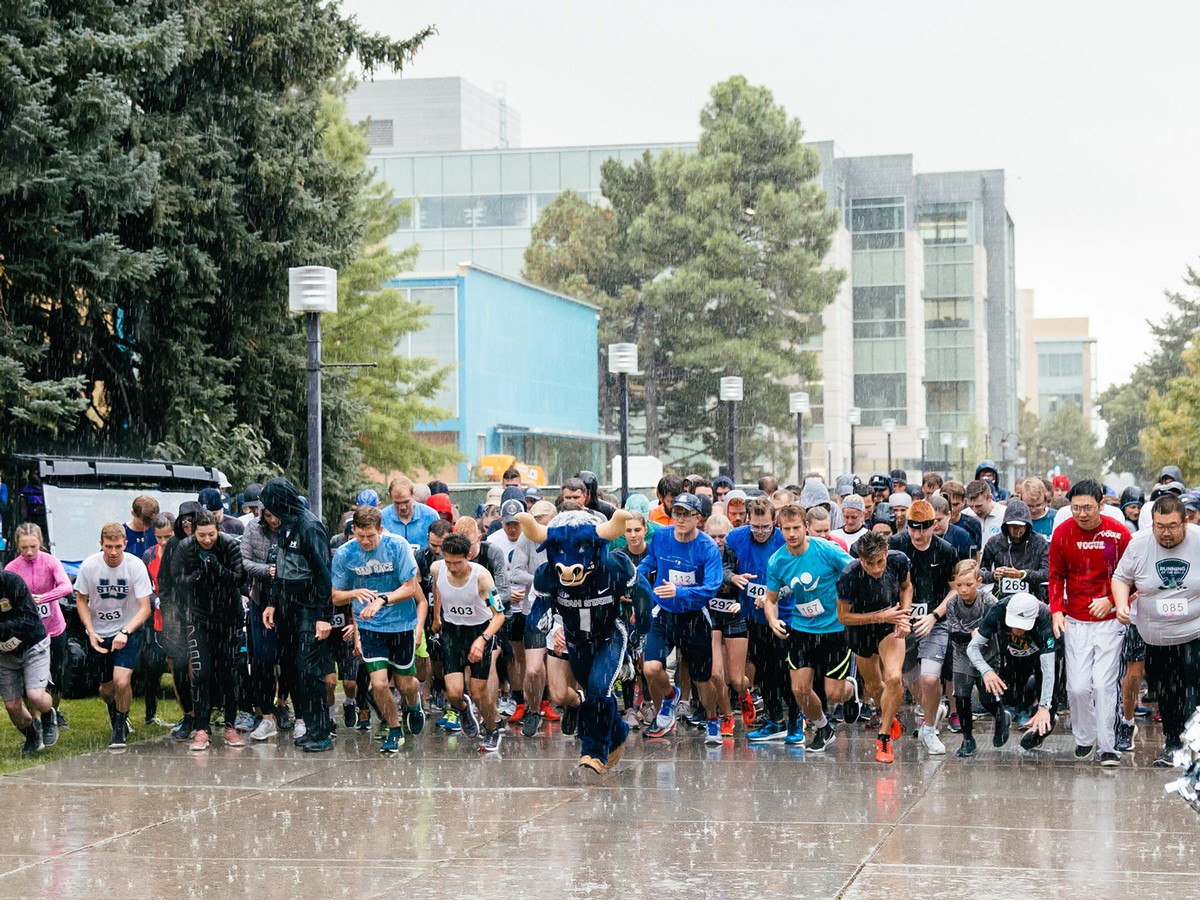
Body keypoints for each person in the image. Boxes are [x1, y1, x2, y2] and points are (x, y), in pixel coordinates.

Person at [1112, 493, 1200, 766]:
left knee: (1193, 691)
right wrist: (1120, 603)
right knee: (1166, 693)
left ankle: (1193, 748)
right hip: (1155, 634)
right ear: (1151, 523)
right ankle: (1173, 745)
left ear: (1185, 522)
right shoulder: (1139, 544)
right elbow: (1120, 578)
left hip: (1194, 631)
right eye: (1160, 526)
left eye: (1172, 526)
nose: (1166, 533)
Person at [1048, 479, 1131, 766]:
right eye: (1075, 508)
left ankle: (1108, 746)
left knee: (1104, 685)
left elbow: (1132, 577)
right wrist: (1056, 610)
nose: (1082, 514)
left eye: (1087, 508)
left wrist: (1111, 600)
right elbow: (1056, 576)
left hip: (1110, 620)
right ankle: (1084, 737)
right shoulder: (1062, 533)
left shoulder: (1118, 534)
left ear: (1101, 505)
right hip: (1076, 620)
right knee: (1078, 687)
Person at [763, 504, 856, 751]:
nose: (792, 533)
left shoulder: (827, 550)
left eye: (796, 528)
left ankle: (851, 691)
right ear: (779, 529)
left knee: (834, 693)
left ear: (806, 527)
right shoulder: (777, 561)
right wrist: (772, 620)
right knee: (799, 689)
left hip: (835, 628)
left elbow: (856, 571)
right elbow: (770, 599)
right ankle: (823, 727)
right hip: (802, 629)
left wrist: (847, 602)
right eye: (786, 529)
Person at [333, 505, 425, 754]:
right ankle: (395, 730)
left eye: (370, 536)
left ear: (381, 530)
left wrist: (382, 599)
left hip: (401, 624)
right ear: (353, 530)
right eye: (360, 536)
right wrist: (353, 593)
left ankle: (414, 705)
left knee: (406, 684)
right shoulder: (344, 554)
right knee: (379, 684)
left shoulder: (398, 546)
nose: (365, 541)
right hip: (369, 626)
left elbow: (410, 587)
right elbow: (335, 596)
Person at [638, 493, 725, 743]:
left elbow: (711, 587)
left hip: (695, 617)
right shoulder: (662, 536)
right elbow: (650, 561)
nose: (681, 518)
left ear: (698, 518)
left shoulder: (707, 547)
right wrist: (634, 577)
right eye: (677, 512)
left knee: (702, 680)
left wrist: (680, 591)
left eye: (687, 514)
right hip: (664, 613)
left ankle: (711, 719)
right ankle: (670, 696)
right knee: (651, 668)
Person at [260, 478, 336, 753]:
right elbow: (280, 567)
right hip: (287, 607)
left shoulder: (309, 527)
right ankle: (313, 729)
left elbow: (324, 574)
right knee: (295, 670)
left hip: (310, 608)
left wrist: (324, 615)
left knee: (309, 669)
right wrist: (271, 603)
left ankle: (322, 731)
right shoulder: (285, 525)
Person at [73, 523, 153, 749]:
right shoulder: (89, 566)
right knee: (106, 690)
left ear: (125, 544)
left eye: (118, 546)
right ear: (101, 545)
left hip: (127, 630)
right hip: (99, 632)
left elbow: (145, 608)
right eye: (109, 546)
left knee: (122, 680)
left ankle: (119, 727)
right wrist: (90, 630)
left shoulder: (135, 566)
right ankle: (116, 710)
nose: (114, 552)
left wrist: (126, 631)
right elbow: (81, 599)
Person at [889, 499, 958, 755]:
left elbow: (955, 590)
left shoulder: (946, 550)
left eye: (923, 529)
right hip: (903, 620)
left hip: (934, 621)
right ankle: (933, 709)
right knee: (909, 678)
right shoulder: (896, 545)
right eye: (913, 529)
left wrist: (935, 616)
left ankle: (929, 728)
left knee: (930, 679)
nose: (918, 535)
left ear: (934, 525)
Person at [836, 531, 911, 763]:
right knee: (874, 684)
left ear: (887, 553)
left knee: (894, 678)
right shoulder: (849, 575)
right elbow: (843, 617)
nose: (876, 568)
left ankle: (884, 736)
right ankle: (886, 712)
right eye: (869, 564)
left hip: (890, 626)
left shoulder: (898, 561)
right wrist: (880, 616)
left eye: (880, 561)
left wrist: (904, 616)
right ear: (860, 558)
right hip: (861, 629)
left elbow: (906, 587)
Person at [913, 559, 1000, 757]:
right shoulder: (952, 603)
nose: (963, 590)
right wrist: (971, 634)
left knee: (986, 697)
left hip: (987, 653)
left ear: (979, 581)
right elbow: (953, 632)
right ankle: (968, 739)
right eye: (959, 585)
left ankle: (1000, 715)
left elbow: (999, 628)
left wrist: (985, 634)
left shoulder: (989, 601)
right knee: (961, 697)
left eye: (968, 585)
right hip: (962, 652)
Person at [430, 533, 506, 752]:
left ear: (469, 556)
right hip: (453, 633)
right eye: (448, 562)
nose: (453, 567)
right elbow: (438, 587)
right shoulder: (437, 568)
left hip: (479, 631)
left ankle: (492, 728)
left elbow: (499, 615)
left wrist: (483, 640)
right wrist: (437, 617)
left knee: (478, 693)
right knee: (453, 693)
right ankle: (463, 710)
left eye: (458, 562)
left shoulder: (482, 577)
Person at [177, 510, 246, 751]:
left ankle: (230, 726)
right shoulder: (185, 548)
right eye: (201, 535)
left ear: (218, 530)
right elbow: (178, 580)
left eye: (211, 534)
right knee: (201, 672)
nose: (207, 540)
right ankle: (201, 728)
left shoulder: (228, 545)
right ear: (193, 532)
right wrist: (197, 576)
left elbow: (239, 579)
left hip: (228, 618)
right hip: (199, 617)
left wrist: (216, 569)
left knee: (228, 673)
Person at [967, 591, 1060, 752]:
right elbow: (973, 647)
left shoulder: (1044, 618)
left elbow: (1048, 670)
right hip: (1015, 656)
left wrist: (1044, 707)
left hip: (1043, 656)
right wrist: (986, 670)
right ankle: (1007, 713)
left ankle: (1048, 721)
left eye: (1022, 626)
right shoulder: (998, 610)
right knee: (1003, 694)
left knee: (1049, 703)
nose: (1017, 629)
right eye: (1014, 624)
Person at [726, 497, 788, 740]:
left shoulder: (783, 539)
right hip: (750, 615)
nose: (760, 532)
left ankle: (787, 718)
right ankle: (775, 717)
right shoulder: (736, 537)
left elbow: (794, 580)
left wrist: (773, 596)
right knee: (762, 668)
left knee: (779, 669)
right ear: (748, 521)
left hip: (781, 614)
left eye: (765, 527)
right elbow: (721, 567)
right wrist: (732, 576)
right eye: (755, 526)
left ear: (774, 522)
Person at [5, 523, 72, 739]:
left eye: (33, 546)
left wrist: (43, 598)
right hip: (28, 634)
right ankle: (33, 717)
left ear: (41, 542)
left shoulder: (51, 561)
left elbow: (66, 587)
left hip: (54, 628)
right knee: (29, 681)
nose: (29, 552)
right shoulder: (12, 569)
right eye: (24, 548)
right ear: (17, 546)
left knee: (56, 676)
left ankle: (53, 712)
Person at [241, 497, 283, 742]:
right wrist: (268, 569)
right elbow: (245, 562)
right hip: (260, 597)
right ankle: (265, 715)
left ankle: (291, 711)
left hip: (289, 599)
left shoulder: (293, 526)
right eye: (268, 515)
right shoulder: (252, 528)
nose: (273, 520)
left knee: (288, 659)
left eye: (276, 515)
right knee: (262, 659)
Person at [0, 568, 53, 755]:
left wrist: (3, 629)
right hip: (4, 653)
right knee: (12, 706)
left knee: (35, 696)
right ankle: (32, 735)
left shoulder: (12, 582)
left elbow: (29, 618)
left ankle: (48, 714)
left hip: (33, 644)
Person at [704, 514, 747, 737]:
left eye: (722, 536)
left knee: (737, 679)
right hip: (712, 617)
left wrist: (743, 604)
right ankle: (727, 715)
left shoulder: (737, 552)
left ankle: (744, 694)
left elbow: (750, 581)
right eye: (713, 536)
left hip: (735, 615)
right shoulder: (702, 552)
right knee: (716, 674)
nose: (718, 541)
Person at [980, 499, 1049, 603]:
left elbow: (1047, 573)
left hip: (1033, 599)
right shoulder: (994, 542)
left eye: (1020, 526)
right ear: (1006, 525)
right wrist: (994, 575)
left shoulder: (1039, 542)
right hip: (1001, 600)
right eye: (1012, 526)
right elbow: (981, 572)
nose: (1016, 530)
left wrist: (1022, 575)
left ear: (1027, 525)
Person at [381, 476, 439, 551]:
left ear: (413, 494)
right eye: (397, 503)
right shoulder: (382, 518)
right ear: (390, 496)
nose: (402, 507)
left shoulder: (430, 516)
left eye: (406, 502)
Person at [964, 480, 1007, 545]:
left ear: (990, 498)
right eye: (971, 506)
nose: (975, 510)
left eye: (979, 506)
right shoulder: (965, 515)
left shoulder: (1005, 514)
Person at [123, 495, 160, 561]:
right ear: (133, 513)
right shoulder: (121, 533)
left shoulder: (159, 531)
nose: (145, 528)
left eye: (149, 525)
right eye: (142, 524)